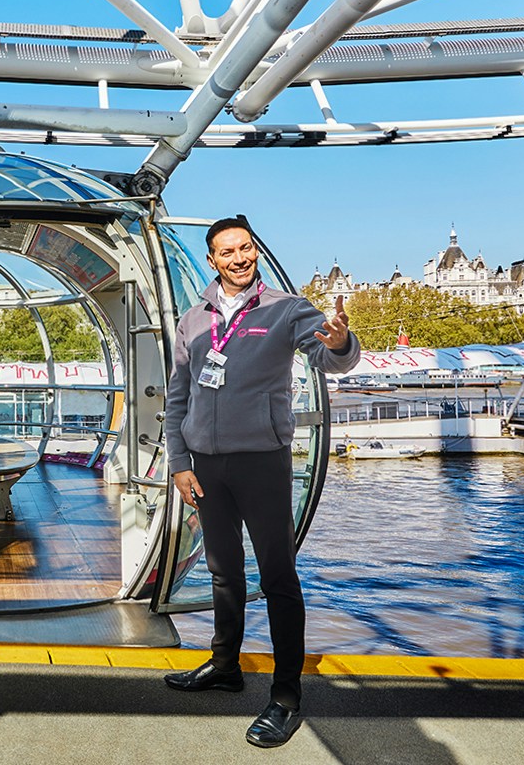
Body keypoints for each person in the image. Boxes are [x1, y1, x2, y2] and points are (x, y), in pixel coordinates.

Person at [161, 215, 358, 748]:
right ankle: (225, 666)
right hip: (205, 465)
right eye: (227, 251)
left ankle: (286, 697)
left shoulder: (286, 309)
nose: (239, 258)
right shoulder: (192, 321)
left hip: (263, 462)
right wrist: (179, 461)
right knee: (223, 572)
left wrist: (341, 342)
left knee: (277, 579)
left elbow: (330, 356)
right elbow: (179, 394)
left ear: (256, 252)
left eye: (245, 248)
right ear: (212, 260)